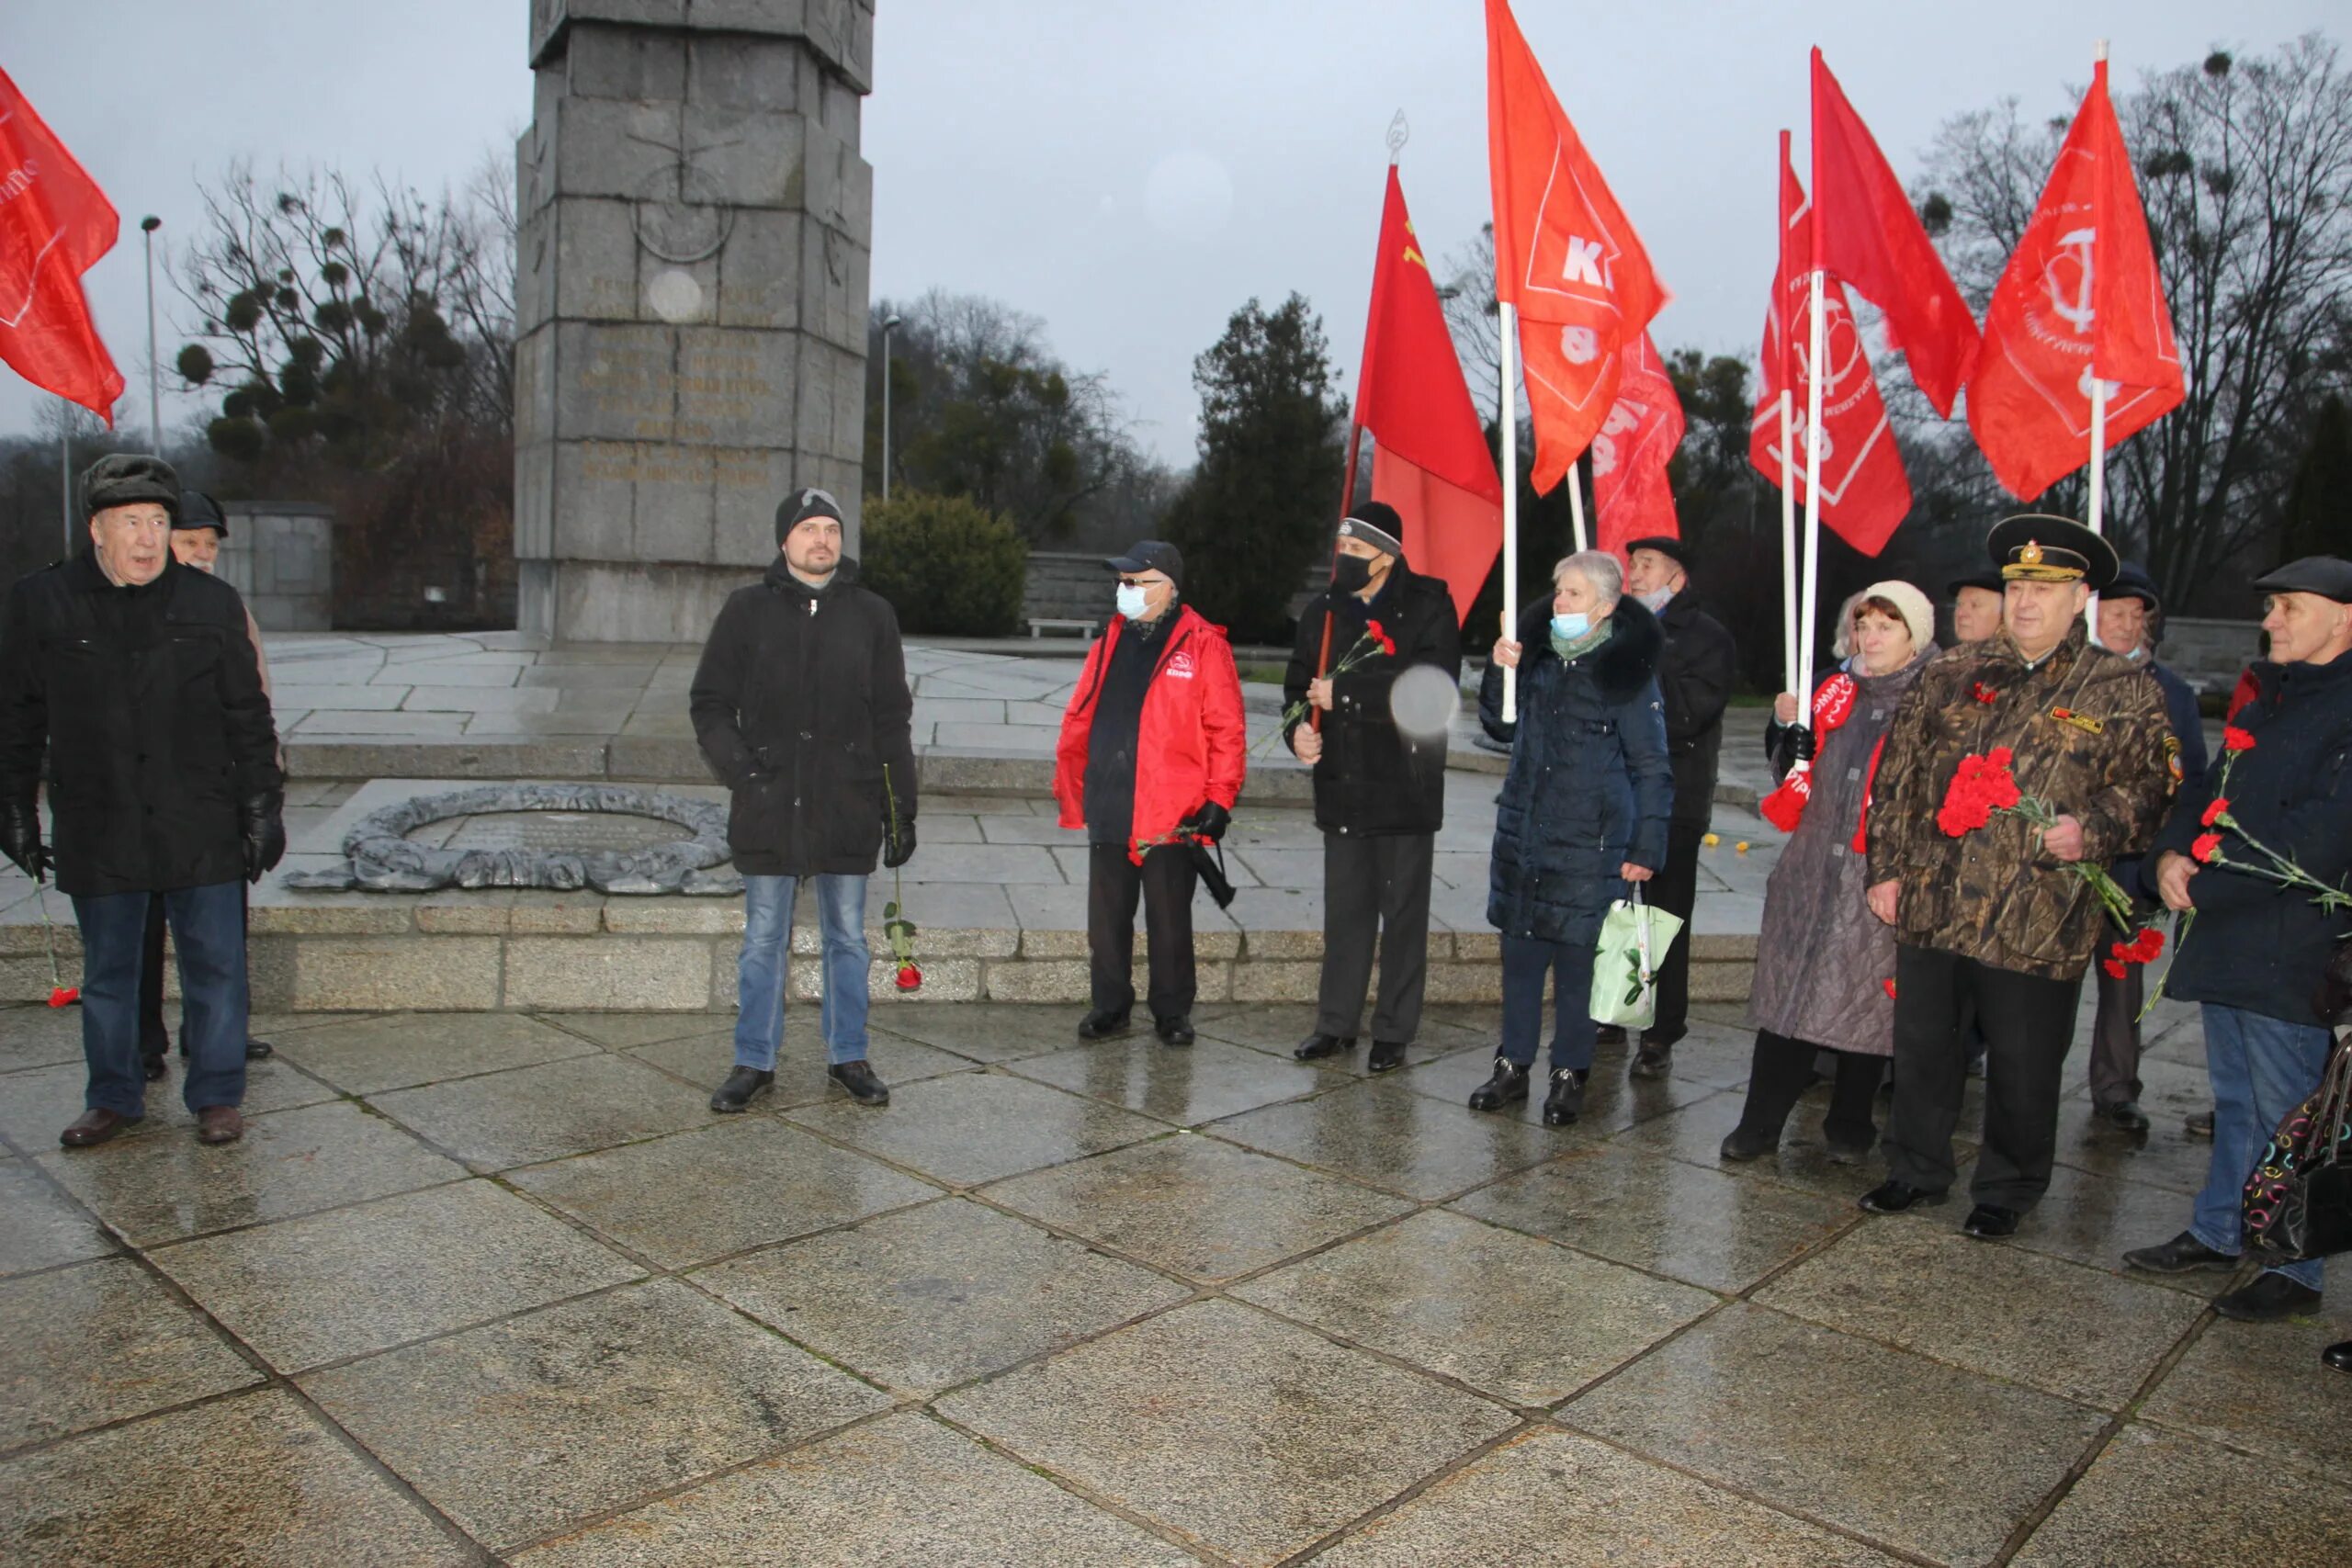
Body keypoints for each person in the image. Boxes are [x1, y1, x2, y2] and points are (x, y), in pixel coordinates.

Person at [1861, 515, 2172, 1238]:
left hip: (2039, 910)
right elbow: (1898, 780)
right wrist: (1887, 870)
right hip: (1937, 899)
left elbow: (2155, 784)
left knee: (2025, 1063)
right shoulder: (1951, 673)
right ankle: (1915, 1166)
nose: (2027, 600)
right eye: (2018, 585)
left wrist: (2092, 828)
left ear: (2081, 596)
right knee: (1925, 1048)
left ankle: (2008, 1185)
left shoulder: (2119, 688)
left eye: (2047, 587)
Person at [0, 455, 285, 1147]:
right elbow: (16, 717)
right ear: (97, 528)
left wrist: (260, 808)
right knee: (110, 975)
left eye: (158, 522)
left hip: (201, 817)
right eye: (131, 522)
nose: (148, 538)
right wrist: (13, 809)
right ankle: (113, 1095)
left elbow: (248, 715)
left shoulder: (211, 603)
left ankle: (217, 1096)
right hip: (100, 821)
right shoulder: (42, 602)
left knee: (216, 966)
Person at [2123, 556, 2352, 1322]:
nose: (2271, 619)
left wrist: (2206, 882)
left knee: (2290, 1113)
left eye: (2289, 606)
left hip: (2293, 948)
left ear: (2344, 618)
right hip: (2228, 934)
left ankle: (2297, 1267)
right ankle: (2222, 1228)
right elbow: (2208, 789)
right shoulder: (2270, 699)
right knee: (2235, 1099)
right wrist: (2168, 855)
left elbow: (2320, 836)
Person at [690, 487, 910, 1112]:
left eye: (832, 529)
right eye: (810, 528)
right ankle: (753, 1059)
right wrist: (742, 771)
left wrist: (901, 806)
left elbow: (893, 716)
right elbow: (708, 702)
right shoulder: (745, 611)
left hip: (847, 802)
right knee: (763, 937)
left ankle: (849, 1054)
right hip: (770, 803)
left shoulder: (872, 615)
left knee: (847, 935)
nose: (823, 540)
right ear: (785, 540)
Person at [1726, 581, 1938, 1162]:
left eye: (1885, 627)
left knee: (1867, 1000)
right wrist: (1783, 731)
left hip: (1878, 874)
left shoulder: (1935, 700)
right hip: (1812, 867)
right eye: (1863, 625)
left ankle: (1850, 1121)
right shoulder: (1831, 691)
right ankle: (1760, 1121)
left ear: (1915, 637)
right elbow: (1791, 777)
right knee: (1786, 996)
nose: (1869, 638)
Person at [1473, 550, 1671, 1126]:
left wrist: (1645, 846)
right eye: (1559, 592)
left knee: (1580, 967)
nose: (1560, 602)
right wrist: (1499, 669)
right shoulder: (1535, 660)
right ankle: (1512, 1066)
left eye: (1575, 594)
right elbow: (1498, 725)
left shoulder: (1624, 673)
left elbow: (1652, 766)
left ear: (1607, 607)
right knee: (1521, 959)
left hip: (1591, 845)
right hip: (1525, 839)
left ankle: (1570, 1074)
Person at [1283, 504, 1463, 1071]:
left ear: (1388, 555)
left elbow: (1432, 690)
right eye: (1342, 551)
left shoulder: (1431, 605)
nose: (1346, 562)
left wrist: (1350, 697)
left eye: (1358, 553)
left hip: (1402, 786)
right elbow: (1297, 682)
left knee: (1403, 915)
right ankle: (1335, 1023)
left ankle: (1394, 1029)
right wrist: (1297, 734)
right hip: (1342, 786)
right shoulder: (1325, 610)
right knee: (1346, 913)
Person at [1053, 540, 1245, 1047]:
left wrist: (1219, 797)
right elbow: (1083, 713)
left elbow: (1226, 729)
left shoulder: (1204, 645)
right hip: (1111, 796)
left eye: (1137, 582)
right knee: (1107, 916)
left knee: (1168, 916)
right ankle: (1110, 1005)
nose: (1126, 590)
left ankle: (1172, 1010)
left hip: (1170, 804)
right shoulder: (1109, 640)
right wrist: (1077, 777)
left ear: (1169, 588)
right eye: (1122, 582)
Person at [136, 491, 277, 1080]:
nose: (201, 554)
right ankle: (142, 1043)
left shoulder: (225, 606)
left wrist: (261, 792)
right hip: (144, 796)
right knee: (139, 931)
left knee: (218, 935)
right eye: (189, 541)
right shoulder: (133, 603)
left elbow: (254, 698)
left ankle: (214, 1035)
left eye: (210, 545)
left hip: (215, 794)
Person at [1600, 536, 1736, 1081]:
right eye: (1631, 563)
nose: (1633, 572)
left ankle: (1659, 1032)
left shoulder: (1707, 638)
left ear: (1676, 576)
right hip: (1615, 794)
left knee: (1664, 915)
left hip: (1675, 797)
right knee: (1617, 910)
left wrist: (1639, 663)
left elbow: (1688, 715)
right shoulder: (1618, 625)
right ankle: (1612, 1010)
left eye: (1646, 565)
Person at [2083, 563, 2208, 1132]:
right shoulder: (2067, 680)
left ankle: (2116, 1088)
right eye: (2116, 613)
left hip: (2127, 866)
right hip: (2055, 858)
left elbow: (2191, 782)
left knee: (2120, 978)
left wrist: (2163, 855)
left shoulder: (2173, 695)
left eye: (2138, 616)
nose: (2129, 625)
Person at [1948, 567, 2006, 646]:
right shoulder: (1945, 657)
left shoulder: (2016, 656)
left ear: (2003, 617)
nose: (1961, 614)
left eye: (1974, 605)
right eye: (1959, 604)